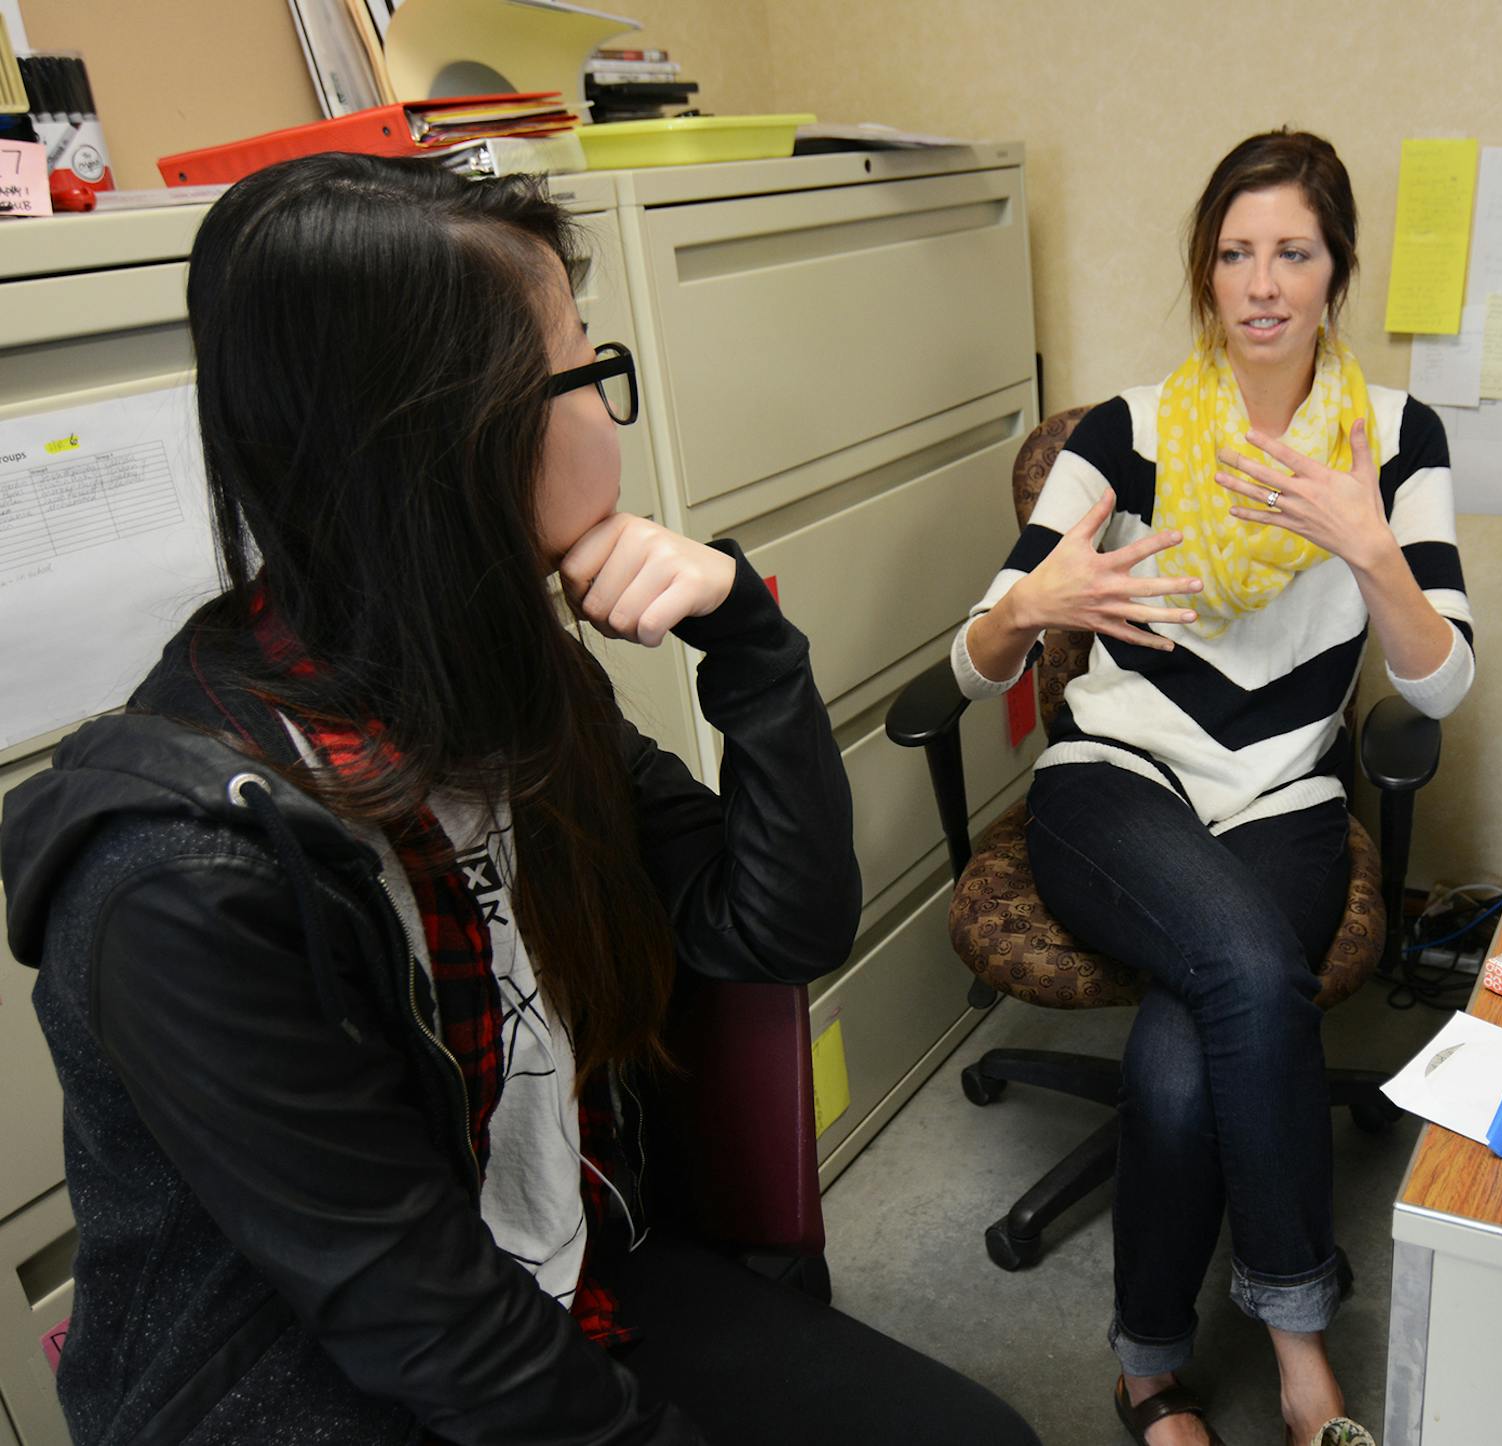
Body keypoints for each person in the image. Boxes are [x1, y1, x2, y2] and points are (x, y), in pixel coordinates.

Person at [0, 154, 1037, 1446]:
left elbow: (777, 926)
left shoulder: (502, 685)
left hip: (575, 1274)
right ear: (448, 443)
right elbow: (426, 1330)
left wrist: (755, 646)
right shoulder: (181, 878)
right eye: (586, 371)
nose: (614, 415)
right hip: (342, 1393)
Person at [951, 130, 1475, 1446]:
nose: (1261, 283)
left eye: (1291, 251)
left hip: (1286, 795)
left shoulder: (1395, 440)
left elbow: (1445, 681)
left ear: (1334, 268)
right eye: (1235, 252)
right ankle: (1304, 1345)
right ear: (1206, 269)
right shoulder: (1123, 433)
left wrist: (1370, 550)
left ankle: (1148, 1370)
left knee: (1182, 1066)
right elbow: (972, 659)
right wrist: (1034, 607)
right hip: (1115, 780)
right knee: (1248, 974)